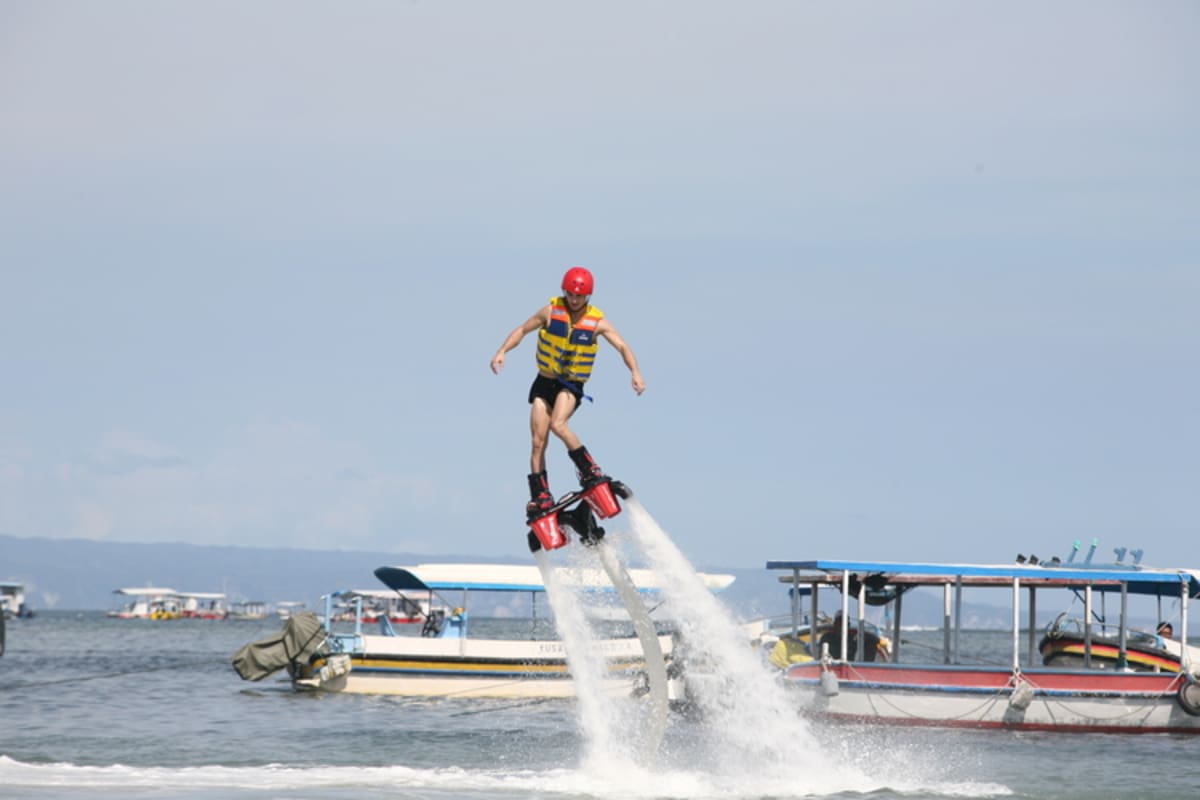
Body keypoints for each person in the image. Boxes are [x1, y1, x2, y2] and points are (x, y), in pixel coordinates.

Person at [490, 266, 645, 519]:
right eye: (571, 295)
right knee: (538, 442)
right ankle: (540, 495)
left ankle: (589, 470)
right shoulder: (550, 311)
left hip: (570, 385)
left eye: (579, 296)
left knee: (558, 424)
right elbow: (521, 330)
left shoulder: (597, 323)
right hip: (544, 382)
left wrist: (635, 372)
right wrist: (502, 351)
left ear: (588, 297)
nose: (574, 300)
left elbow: (622, 346)